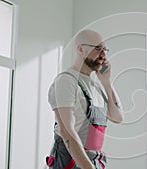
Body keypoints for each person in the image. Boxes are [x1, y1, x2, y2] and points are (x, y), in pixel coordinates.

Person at [46, 29, 124, 169]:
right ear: (81, 49)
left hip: (94, 161)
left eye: (105, 49)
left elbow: (117, 117)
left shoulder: (95, 85)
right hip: (70, 163)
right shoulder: (66, 81)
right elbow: (67, 132)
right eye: (98, 48)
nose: (103, 54)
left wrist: (106, 82)